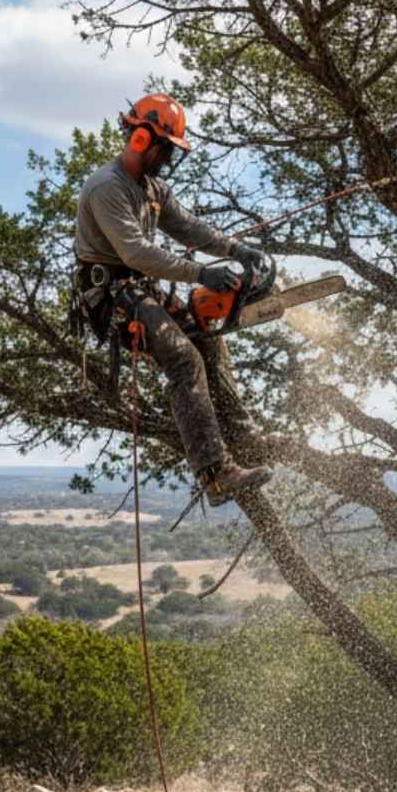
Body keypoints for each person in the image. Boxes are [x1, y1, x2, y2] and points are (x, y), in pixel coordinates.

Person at [73, 92, 272, 506]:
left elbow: (188, 228)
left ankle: (244, 434)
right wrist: (202, 273)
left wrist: (236, 249)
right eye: (166, 149)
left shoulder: (153, 188)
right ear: (143, 139)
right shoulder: (106, 187)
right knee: (184, 358)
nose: (168, 160)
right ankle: (216, 475)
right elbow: (137, 254)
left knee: (206, 338)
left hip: (139, 289)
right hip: (110, 295)